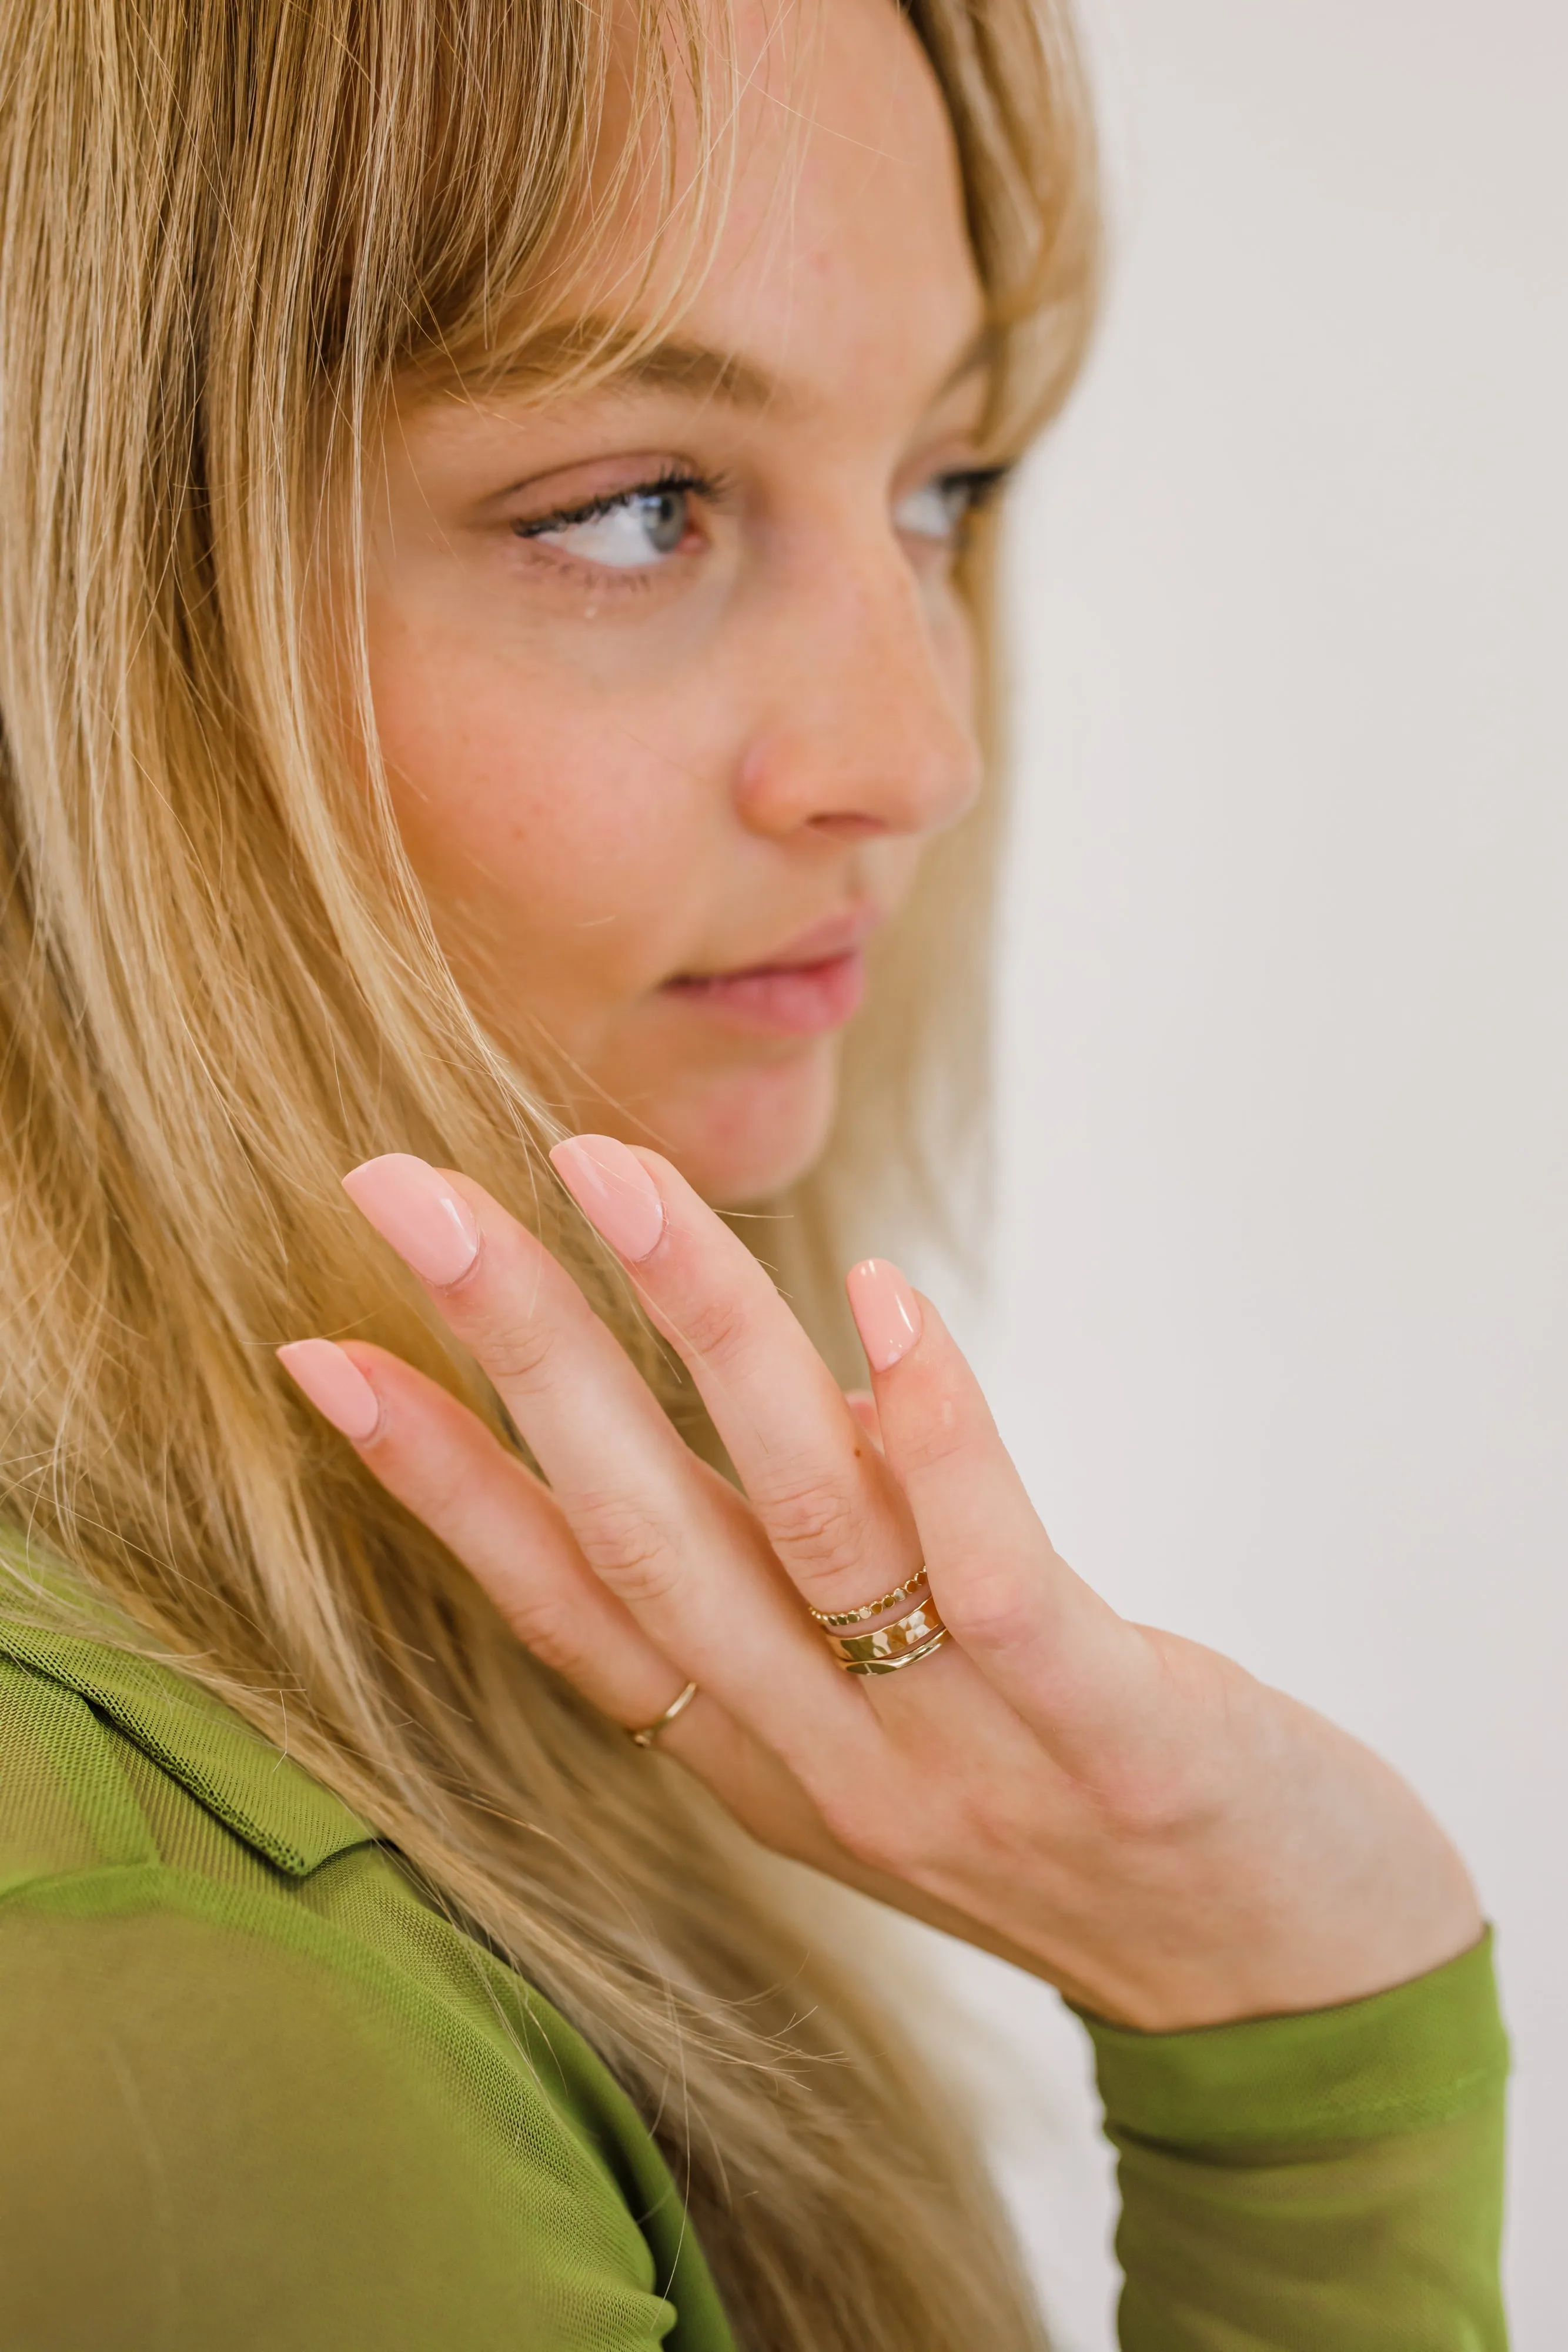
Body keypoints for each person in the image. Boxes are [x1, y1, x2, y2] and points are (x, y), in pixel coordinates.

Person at [0, 2, 1507, 2346]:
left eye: (944, 488)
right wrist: (1322, 2111)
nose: (922, 749)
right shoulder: (187, 2027)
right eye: (631, 508)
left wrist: (1275, 1994)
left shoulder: (318, 1722)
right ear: (71, 587)